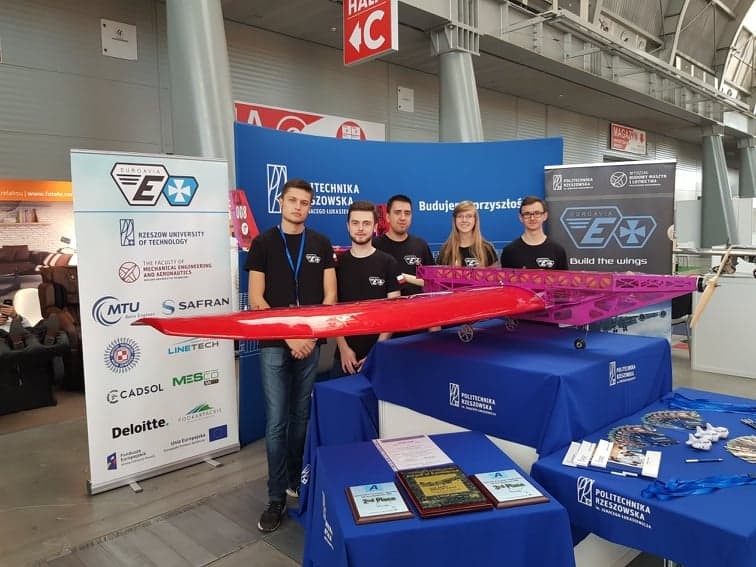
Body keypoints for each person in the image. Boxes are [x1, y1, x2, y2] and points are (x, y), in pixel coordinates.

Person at [244, 178, 337, 533]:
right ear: (281, 202)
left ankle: (297, 480)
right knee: (276, 423)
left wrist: (308, 336)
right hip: (274, 343)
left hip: (310, 343)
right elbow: (256, 299)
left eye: (305, 202)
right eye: (293, 200)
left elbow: (330, 297)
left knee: (300, 418)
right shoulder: (263, 243)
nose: (299, 207)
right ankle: (275, 497)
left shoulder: (321, 243)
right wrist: (289, 336)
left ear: (310, 207)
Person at [334, 201, 401, 376]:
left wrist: (376, 352)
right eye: (355, 223)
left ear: (375, 226)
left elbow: (394, 311)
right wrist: (343, 348)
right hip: (344, 358)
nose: (360, 228)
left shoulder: (388, 262)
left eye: (366, 223)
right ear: (347, 225)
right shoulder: (337, 264)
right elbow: (333, 310)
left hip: (379, 356)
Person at [373, 194, 434, 296]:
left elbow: (433, 282)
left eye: (407, 213)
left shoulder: (420, 245)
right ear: (388, 217)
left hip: (417, 305)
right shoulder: (374, 246)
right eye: (397, 213)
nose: (403, 218)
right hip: (385, 305)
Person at [500, 196, 567, 270]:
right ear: (520, 218)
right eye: (527, 214)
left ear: (545, 216)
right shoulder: (509, 252)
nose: (532, 218)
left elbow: (563, 277)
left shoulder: (558, 251)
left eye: (537, 213)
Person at [437, 201, 498, 267]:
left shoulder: (487, 248)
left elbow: (494, 273)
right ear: (454, 220)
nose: (464, 220)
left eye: (469, 216)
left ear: (475, 220)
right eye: (460, 216)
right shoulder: (446, 250)